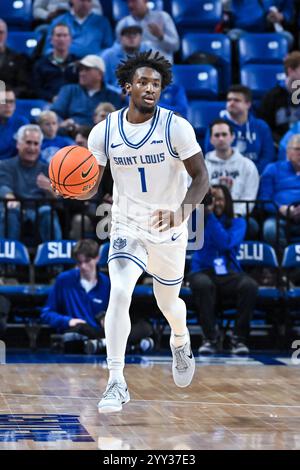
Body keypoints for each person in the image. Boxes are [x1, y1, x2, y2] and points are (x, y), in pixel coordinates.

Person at [54, 51, 209, 412]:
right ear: (127, 86)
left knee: (168, 304)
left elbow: (202, 177)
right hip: (125, 223)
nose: (150, 88)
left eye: (156, 83)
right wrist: (70, 189)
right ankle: (116, 381)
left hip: (170, 225)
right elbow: (91, 184)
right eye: (143, 82)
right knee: (120, 291)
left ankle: (180, 339)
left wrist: (181, 213)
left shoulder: (175, 127)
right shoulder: (104, 131)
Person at [189, 185, 258, 355]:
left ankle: (238, 338)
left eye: (220, 199)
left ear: (228, 202)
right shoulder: (197, 221)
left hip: (229, 274)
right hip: (203, 271)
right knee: (202, 283)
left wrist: (210, 216)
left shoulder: (238, 223)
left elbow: (225, 242)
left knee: (250, 286)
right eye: (212, 199)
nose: (216, 203)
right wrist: (204, 211)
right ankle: (211, 338)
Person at [41, 239, 110, 349]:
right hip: (77, 333)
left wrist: (106, 318)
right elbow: (46, 314)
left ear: (97, 258)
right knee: (81, 329)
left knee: (143, 327)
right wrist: (68, 321)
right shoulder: (64, 280)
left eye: (87, 261)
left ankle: (102, 343)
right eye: (79, 262)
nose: (83, 266)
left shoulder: (106, 282)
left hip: (100, 332)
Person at [0, 124, 62, 242]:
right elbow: (3, 186)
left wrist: (50, 189)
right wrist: (11, 198)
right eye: (28, 142)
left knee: (47, 211)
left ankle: (54, 257)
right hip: (15, 210)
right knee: (11, 211)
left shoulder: (48, 169)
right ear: (18, 144)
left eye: (36, 143)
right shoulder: (5, 165)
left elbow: (58, 201)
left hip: (40, 211)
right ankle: (7, 257)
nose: (32, 148)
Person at [204, 85, 275, 174]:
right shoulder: (216, 126)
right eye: (229, 100)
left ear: (248, 104)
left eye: (236, 100)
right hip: (224, 175)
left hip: (256, 174)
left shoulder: (261, 126)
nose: (231, 103)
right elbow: (211, 154)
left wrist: (251, 173)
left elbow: (268, 156)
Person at [51, 54, 123, 131]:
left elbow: (117, 123)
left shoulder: (112, 96)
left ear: (100, 74)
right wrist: (63, 123)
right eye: (81, 69)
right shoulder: (69, 90)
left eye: (87, 69)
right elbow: (54, 115)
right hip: (69, 135)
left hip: (100, 136)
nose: (82, 73)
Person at [205, 119, 259, 218]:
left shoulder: (248, 166)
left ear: (232, 137)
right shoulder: (203, 166)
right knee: (196, 226)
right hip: (209, 215)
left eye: (224, 134)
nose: (221, 138)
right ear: (211, 139)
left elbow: (249, 198)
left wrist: (234, 214)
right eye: (217, 135)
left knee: (251, 226)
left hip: (239, 216)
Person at [259, 134, 300, 247]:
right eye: (297, 149)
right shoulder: (272, 169)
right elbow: (264, 201)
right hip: (279, 217)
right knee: (270, 229)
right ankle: (284, 260)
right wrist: (281, 209)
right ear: (288, 152)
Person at [115, 0, 180, 63]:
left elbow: (176, 47)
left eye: (134, 1)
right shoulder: (123, 24)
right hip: (133, 68)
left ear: (145, 1)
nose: (130, 5)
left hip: (161, 67)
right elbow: (117, 50)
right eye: (128, 2)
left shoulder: (162, 17)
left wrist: (161, 36)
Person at [44, 0, 113, 58]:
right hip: (65, 65)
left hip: (94, 66)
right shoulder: (58, 21)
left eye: (88, 1)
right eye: (82, 0)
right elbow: (48, 49)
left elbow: (108, 49)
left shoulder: (102, 22)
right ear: (72, 1)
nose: (85, 4)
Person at [258, 51, 300, 143]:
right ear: (290, 71)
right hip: (279, 145)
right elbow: (265, 129)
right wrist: (284, 142)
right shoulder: (271, 97)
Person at [33, 23, 78, 102]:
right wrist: (51, 98)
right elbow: (36, 89)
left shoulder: (78, 64)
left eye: (65, 35)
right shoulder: (40, 64)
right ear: (51, 40)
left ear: (70, 40)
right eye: (58, 35)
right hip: (48, 104)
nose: (62, 39)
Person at [0, 19, 32, 98]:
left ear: (6, 34)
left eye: (1, 32)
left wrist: (6, 96)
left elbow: (24, 87)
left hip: (10, 102)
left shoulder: (19, 59)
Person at [0, 87, 29, 160]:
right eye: (4, 101)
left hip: (13, 168)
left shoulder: (21, 123)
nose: (8, 105)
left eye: (11, 101)